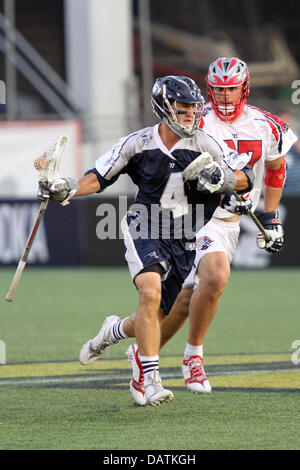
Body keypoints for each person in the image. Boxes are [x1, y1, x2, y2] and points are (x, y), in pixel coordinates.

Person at [39, 75, 253, 406]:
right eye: (183, 109)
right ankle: (151, 378)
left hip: (185, 237)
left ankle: (113, 331)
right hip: (146, 223)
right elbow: (98, 178)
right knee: (150, 291)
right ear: (164, 108)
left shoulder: (206, 144)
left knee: (155, 316)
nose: (191, 116)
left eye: (194, 109)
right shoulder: (138, 143)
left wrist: (223, 179)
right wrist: (66, 188)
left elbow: (244, 176)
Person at [122, 57, 298, 404]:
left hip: (232, 221)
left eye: (232, 88)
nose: (226, 96)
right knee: (216, 276)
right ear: (209, 89)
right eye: (218, 89)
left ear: (244, 87)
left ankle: (141, 352)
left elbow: (276, 168)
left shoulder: (267, 125)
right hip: (198, 216)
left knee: (185, 300)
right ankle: (193, 356)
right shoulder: (194, 118)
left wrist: (271, 216)